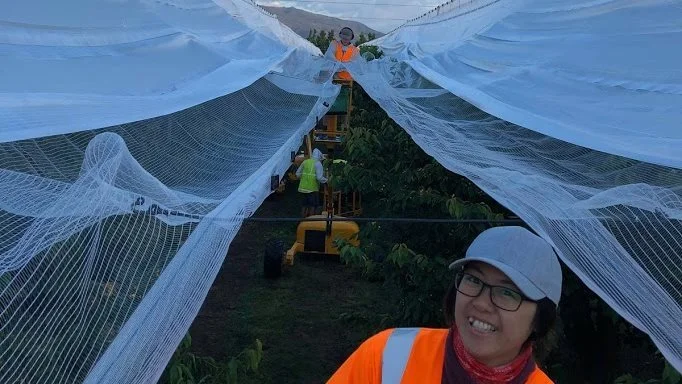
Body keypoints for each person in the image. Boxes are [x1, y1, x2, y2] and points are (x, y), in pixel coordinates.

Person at [327, 226, 562, 383]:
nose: (481, 303)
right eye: (473, 280)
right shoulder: (389, 356)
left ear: (539, 320)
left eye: (507, 293)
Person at [296, 148, 327, 217]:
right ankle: (310, 221)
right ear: (319, 157)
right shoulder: (318, 163)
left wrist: (304, 178)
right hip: (312, 189)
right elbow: (319, 178)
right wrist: (327, 181)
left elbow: (297, 174)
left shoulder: (305, 162)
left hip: (302, 188)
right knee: (312, 206)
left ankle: (301, 221)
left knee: (304, 205)